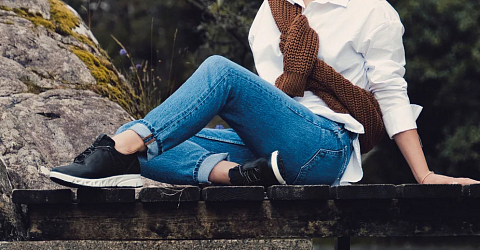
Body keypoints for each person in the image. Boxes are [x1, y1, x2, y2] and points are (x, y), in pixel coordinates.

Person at [49, 0, 479, 188]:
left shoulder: (372, 10)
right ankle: (236, 176)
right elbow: (275, 101)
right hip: (272, 147)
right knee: (150, 137)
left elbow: (390, 93)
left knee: (217, 73)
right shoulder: (268, 15)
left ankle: (115, 153)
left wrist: (423, 174)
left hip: (325, 148)